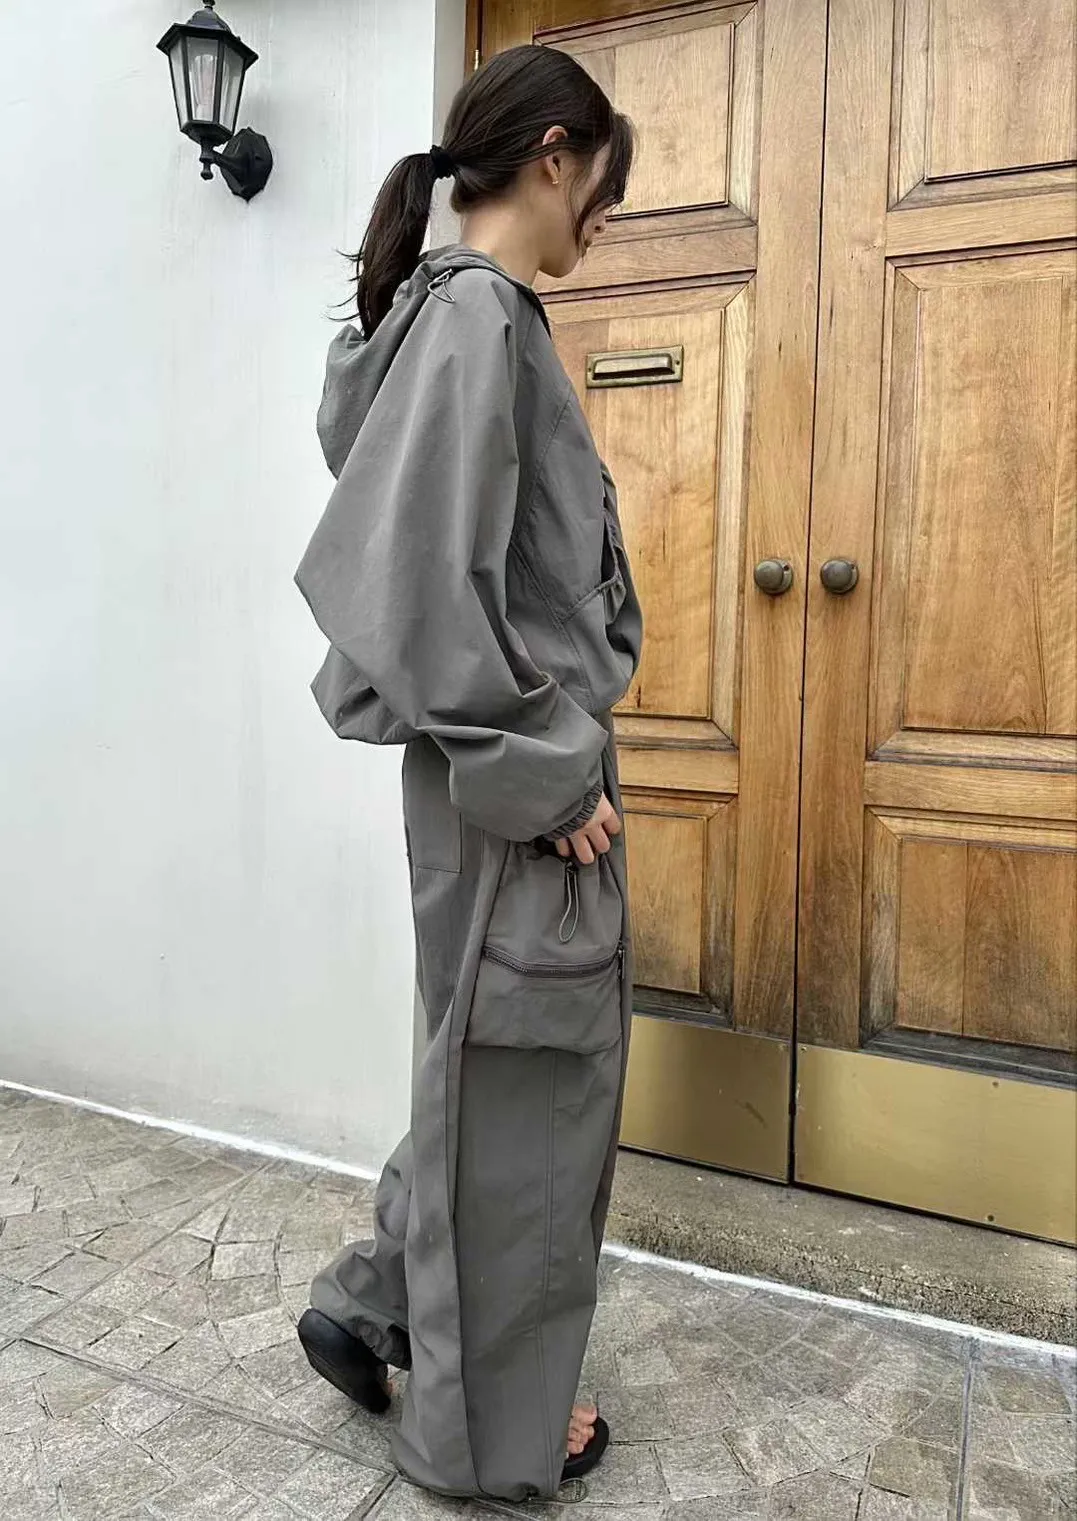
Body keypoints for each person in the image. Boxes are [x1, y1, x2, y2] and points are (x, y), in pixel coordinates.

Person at [293, 43, 642, 1505]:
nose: (602, 221)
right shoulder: (479, 315)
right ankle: (488, 1432)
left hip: (489, 773)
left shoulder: (450, 315)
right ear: (555, 154)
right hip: (517, 787)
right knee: (527, 1100)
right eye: (603, 189)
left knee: (480, 1065)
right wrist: (551, 776)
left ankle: (380, 1299)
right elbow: (419, 592)